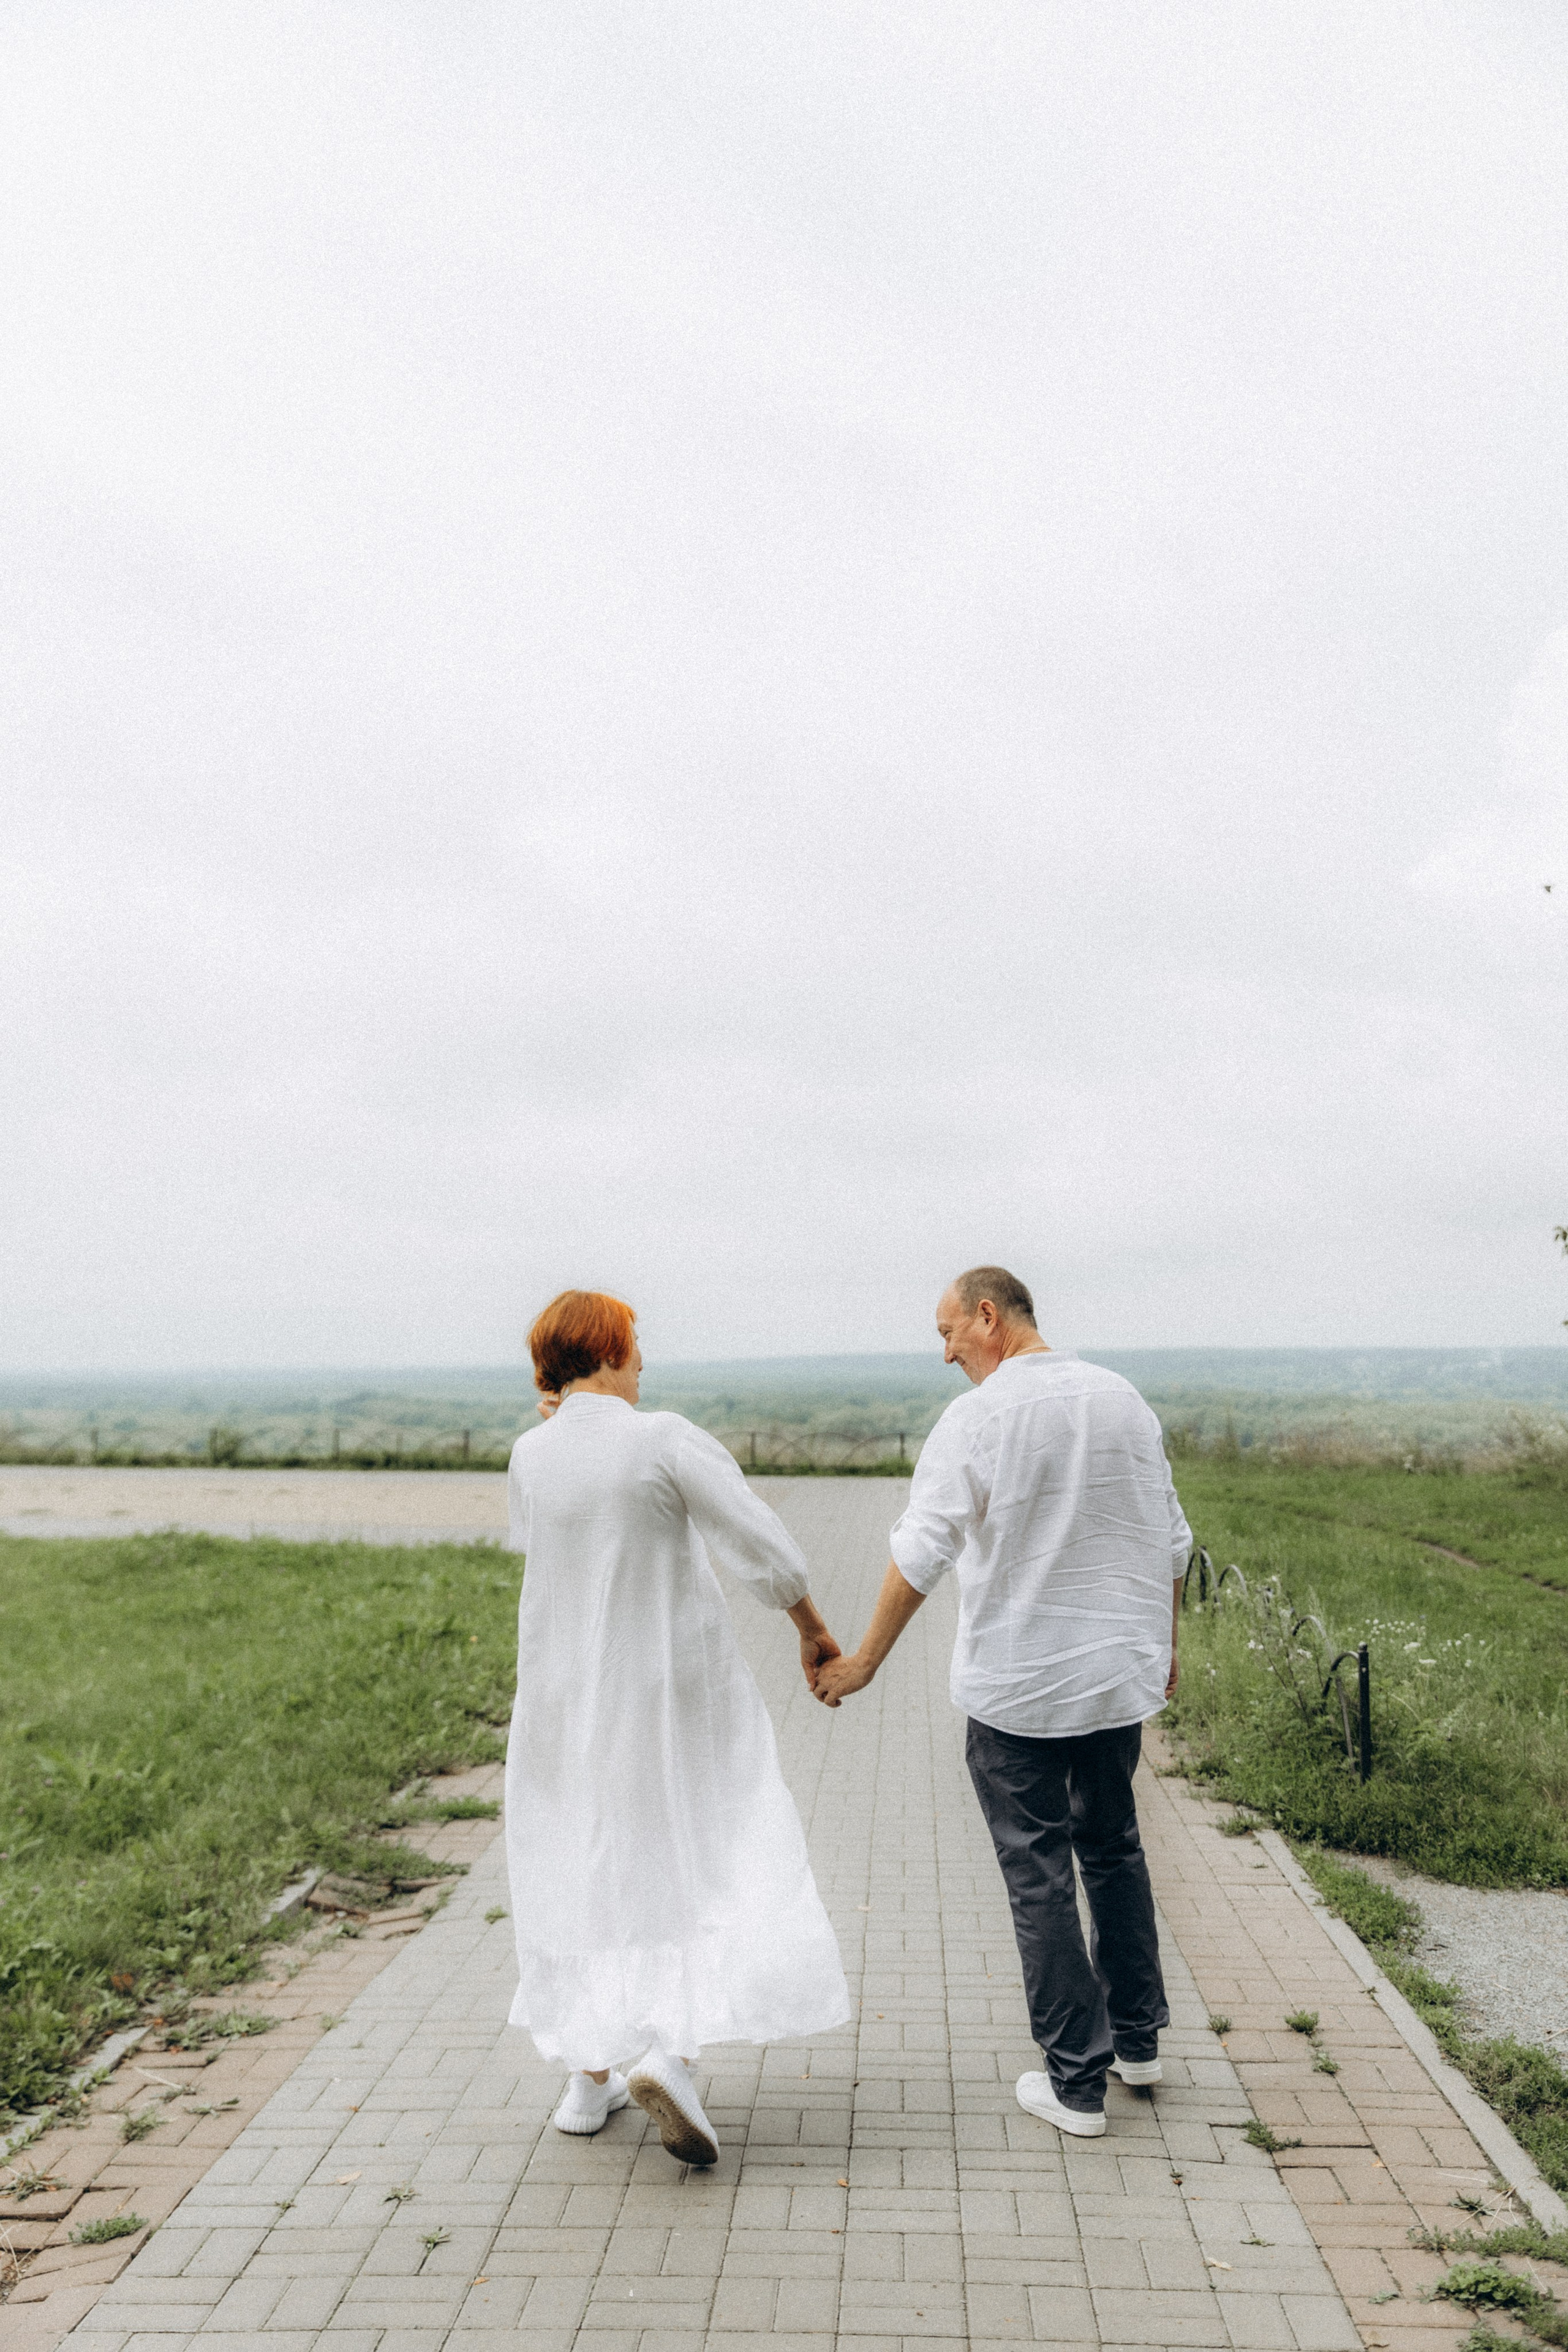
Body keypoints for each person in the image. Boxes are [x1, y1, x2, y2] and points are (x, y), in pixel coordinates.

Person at [813, 1266, 1191, 2140]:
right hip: (1111, 1682)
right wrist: (1165, 1647)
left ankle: (1076, 2085)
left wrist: (864, 1660)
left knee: (1039, 1876)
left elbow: (923, 1550)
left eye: (949, 1333)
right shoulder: (1123, 1399)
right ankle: (1137, 2043)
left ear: (989, 1316)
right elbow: (1172, 1538)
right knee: (1114, 1849)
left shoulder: (978, 1419)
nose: (945, 1354)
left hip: (1019, 1689)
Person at [503, 1288, 850, 2166]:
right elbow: (760, 1545)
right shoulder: (661, 1439)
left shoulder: (528, 1455)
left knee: (584, 1858)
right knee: (692, 1851)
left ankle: (588, 2079)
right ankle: (673, 2056)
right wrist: (811, 1627)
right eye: (634, 1345)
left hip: (562, 1699)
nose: (644, 1360)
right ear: (610, 1350)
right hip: (666, 1689)